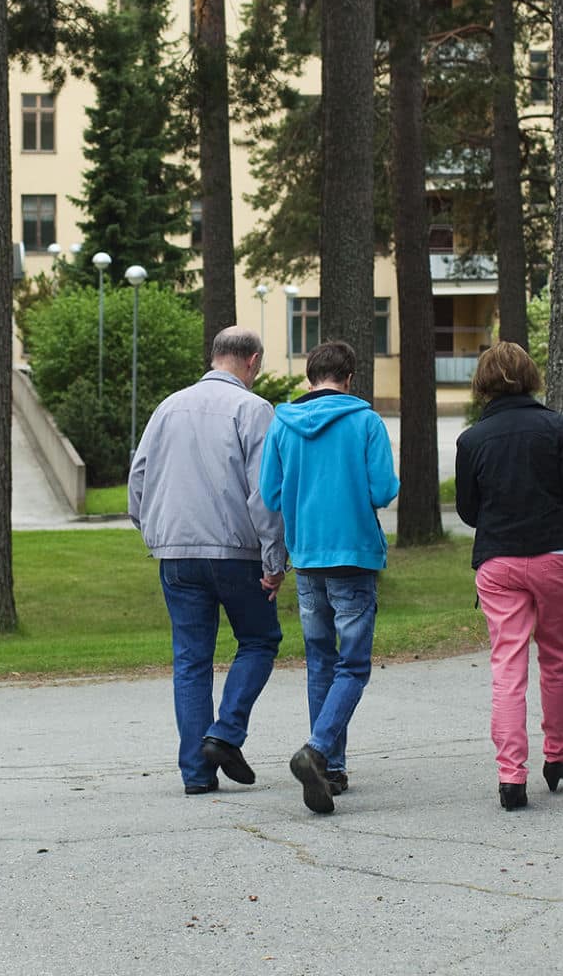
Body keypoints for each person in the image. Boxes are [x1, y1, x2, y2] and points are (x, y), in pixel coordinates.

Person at [129, 326, 289, 796]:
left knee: (191, 661)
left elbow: (138, 478)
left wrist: (154, 531)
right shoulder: (253, 409)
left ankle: (196, 773)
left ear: (215, 356)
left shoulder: (167, 407)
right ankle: (225, 732)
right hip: (235, 552)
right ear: (253, 362)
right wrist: (274, 558)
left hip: (176, 554)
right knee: (260, 640)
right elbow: (265, 492)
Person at [453, 341, 563, 811]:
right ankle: (557, 756)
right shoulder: (556, 428)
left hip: (499, 562)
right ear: (530, 375)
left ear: (483, 383)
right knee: (558, 659)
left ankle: (510, 777)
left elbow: (467, 511)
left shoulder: (471, 440)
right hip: (557, 558)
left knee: (507, 666)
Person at [259, 341, 399, 815]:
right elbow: (383, 489)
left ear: (308, 378)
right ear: (350, 377)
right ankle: (318, 750)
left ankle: (332, 767)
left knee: (320, 661)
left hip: (307, 555)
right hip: (354, 554)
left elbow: (270, 494)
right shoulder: (365, 422)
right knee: (354, 665)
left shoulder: (283, 424)